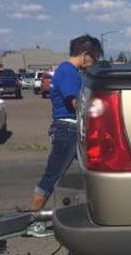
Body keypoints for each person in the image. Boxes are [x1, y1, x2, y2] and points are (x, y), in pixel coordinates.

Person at [28, 35, 103, 213]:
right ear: (85, 55)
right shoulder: (68, 71)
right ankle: (31, 220)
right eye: (94, 58)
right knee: (52, 176)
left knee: (95, 171)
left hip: (73, 129)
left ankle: (99, 209)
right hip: (68, 130)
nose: (93, 63)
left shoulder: (69, 71)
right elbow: (75, 103)